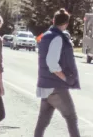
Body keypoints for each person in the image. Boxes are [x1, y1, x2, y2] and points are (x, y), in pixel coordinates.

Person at [34, 8, 81, 137]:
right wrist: (65, 78)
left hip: (45, 84)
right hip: (56, 86)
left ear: (53, 21)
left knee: (42, 122)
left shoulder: (46, 36)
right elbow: (52, 63)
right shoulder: (58, 38)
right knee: (71, 118)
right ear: (66, 24)